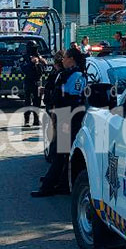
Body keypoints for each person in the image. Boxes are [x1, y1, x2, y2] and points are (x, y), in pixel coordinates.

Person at [32, 47, 87, 197]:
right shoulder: (66, 74)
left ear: (71, 59)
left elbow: (71, 98)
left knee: (60, 152)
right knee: (61, 152)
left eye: (65, 57)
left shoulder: (76, 76)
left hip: (69, 117)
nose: (63, 60)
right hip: (64, 116)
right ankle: (62, 184)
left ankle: (48, 187)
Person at [19, 42, 45, 127]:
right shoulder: (24, 58)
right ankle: (27, 121)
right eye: (33, 48)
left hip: (37, 81)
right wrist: (31, 63)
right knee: (27, 102)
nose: (35, 50)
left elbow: (44, 67)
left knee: (37, 101)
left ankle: (36, 120)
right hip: (28, 81)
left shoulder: (39, 57)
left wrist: (38, 62)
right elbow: (24, 69)